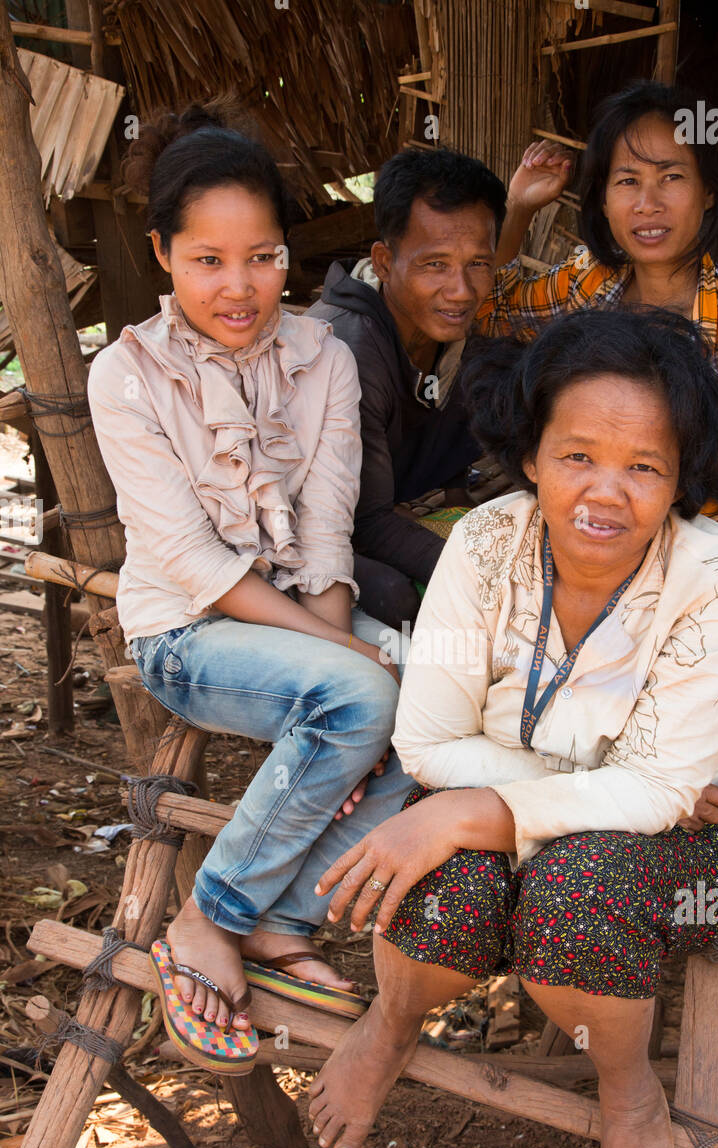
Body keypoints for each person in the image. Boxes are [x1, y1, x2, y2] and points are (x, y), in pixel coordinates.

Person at [307, 307, 718, 1148]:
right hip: (621, 801)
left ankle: (630, 1096)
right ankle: (393, 1021)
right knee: (439, 891)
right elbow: (429, 737)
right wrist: (553, 797)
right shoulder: (484, 544)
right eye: (577, 456)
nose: (605, 492)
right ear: (532, 456)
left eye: (644, 467)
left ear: (681, 476)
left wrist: (483, 806)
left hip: (698, 833)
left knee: (573, 898)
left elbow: (657, 801)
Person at [87, 106, 415, 1073]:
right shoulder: (127, 376)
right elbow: (192, 563)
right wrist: (343, 659)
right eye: (208, 261)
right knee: (363, 690)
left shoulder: (326, 356)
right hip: (187, 634)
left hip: (301, 612)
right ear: (163, 254)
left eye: (263, 256)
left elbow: (324, 527)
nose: (239, 288)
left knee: (442, 708)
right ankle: (204, 921)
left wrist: (337, 639)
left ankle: (278, 920)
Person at [476, 80, 718, 625]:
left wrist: (694, 443)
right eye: (628, 181)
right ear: (602, 196)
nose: (648, 204)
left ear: (708, 191)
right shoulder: (589, 284)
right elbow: (486, 305)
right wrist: (518, 208)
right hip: (597, 533)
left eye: (672, 177)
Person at [306, 148, 507, 630]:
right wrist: (495, 584)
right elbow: (365, 523)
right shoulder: (346, 349)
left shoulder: (451, 336)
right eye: (435, 265)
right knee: (396, 596)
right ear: (383, 261)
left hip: (395, 509)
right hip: (318, 539)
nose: (460, 290)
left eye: (477, 263)